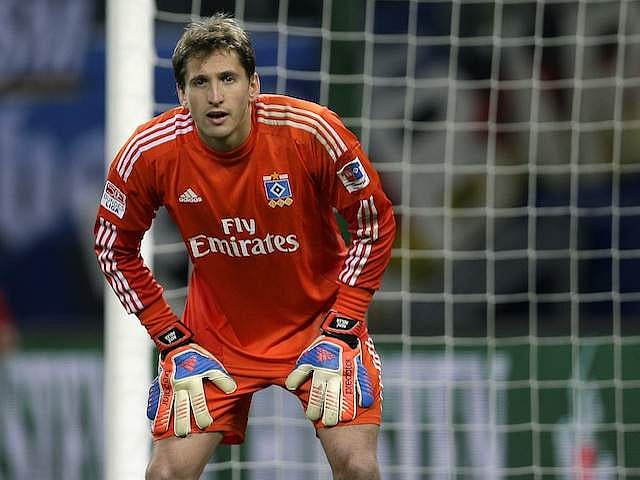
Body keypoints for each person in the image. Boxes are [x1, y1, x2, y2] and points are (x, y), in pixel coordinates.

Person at [94, 13, 395, 480]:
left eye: (228, 79)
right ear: (181, 94)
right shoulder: (150, 153)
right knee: (165, 474)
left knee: (357, 465)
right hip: (216, 338)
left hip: (320, 323)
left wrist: (343, 324)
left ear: (253, 86)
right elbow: (112, 246)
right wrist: (170, 339)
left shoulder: (310, 131)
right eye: (200, 82)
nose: (215, 96)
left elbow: (374, 223)